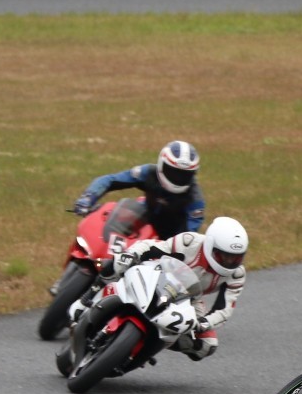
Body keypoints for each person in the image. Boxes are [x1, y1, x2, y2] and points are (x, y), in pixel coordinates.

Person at [88, 216, 249, 361]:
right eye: (225, 256)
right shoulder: (189, 242)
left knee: (207, 345)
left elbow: (224, 309)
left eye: (236, 258)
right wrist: (132, 254)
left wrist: (204, 323)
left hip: (190, 299)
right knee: (117, 262)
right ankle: (87, 299)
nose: (230, 261)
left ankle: (151, 344)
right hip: (160, 275)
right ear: (210, 246)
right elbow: (152, 246)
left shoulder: (237, 275)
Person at [73, 140, 205, 239]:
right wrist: (87, 198)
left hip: (167, 242)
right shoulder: (147, 173)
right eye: (173, 172)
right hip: (141, 223)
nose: (178, 177)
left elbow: (188, 237)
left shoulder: (196, 201)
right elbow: (110, 180)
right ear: (161, 164)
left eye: (184, 174)